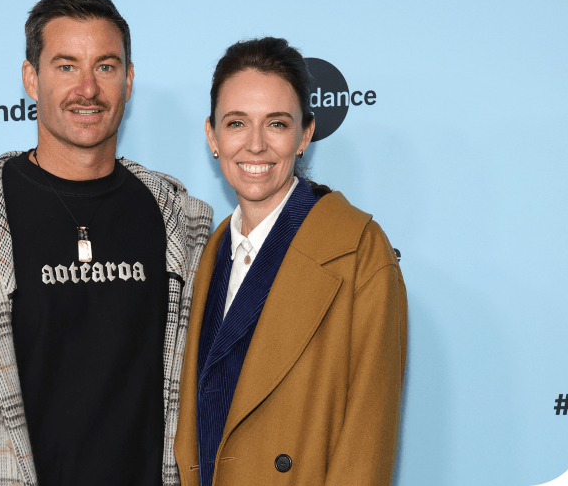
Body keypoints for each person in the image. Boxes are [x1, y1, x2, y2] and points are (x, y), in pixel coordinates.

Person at [0, 0, 212, 486]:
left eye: (105, 67)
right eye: (66, 67)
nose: (88, 88)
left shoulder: (181, 218)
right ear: (31, 79)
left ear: (128, 80)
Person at [173, 37, 407, 485]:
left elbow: (366, 446)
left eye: (276, 124)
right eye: (237, 122)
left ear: (304, 135)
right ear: (212, 136)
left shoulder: (359, 252)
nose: (255, 145)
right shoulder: (210, 249)